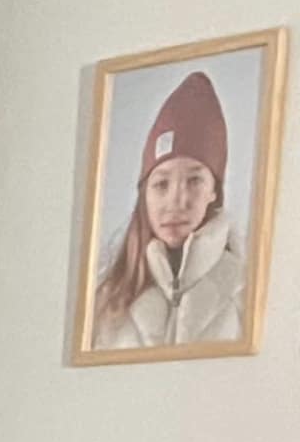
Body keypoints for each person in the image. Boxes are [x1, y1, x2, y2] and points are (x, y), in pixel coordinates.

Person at [87, 66, 253, 351]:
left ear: (214, 190)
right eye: (161, 184)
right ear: (144, 193)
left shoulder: (246, 290)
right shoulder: (106, 300)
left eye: (194, 181)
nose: (176, 202)